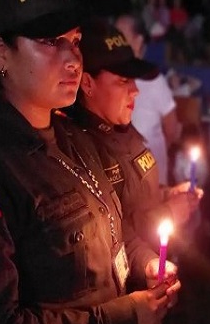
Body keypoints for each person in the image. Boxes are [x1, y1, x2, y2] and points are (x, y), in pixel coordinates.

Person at [0, 0, 180, 324]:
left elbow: (111, 228)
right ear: (1, 53)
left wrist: (145, 262)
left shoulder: (76, 137)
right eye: (50, 42)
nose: (72, 59)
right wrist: (120, 321)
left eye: (75, 41)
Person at [69, 17, 201, 249]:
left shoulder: (123, 130)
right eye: (123, 80)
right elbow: (109, 233)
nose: (136, 91)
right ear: (87, 83)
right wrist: (168, 213)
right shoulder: (77, 151)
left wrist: (167, 195)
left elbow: (135, 196)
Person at [115, 13, 180, 185]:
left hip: (151, 178)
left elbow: (171, 128)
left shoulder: (153, 80)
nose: (114, 42)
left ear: (138, 41)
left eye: (121, 36)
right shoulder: (108, 78)